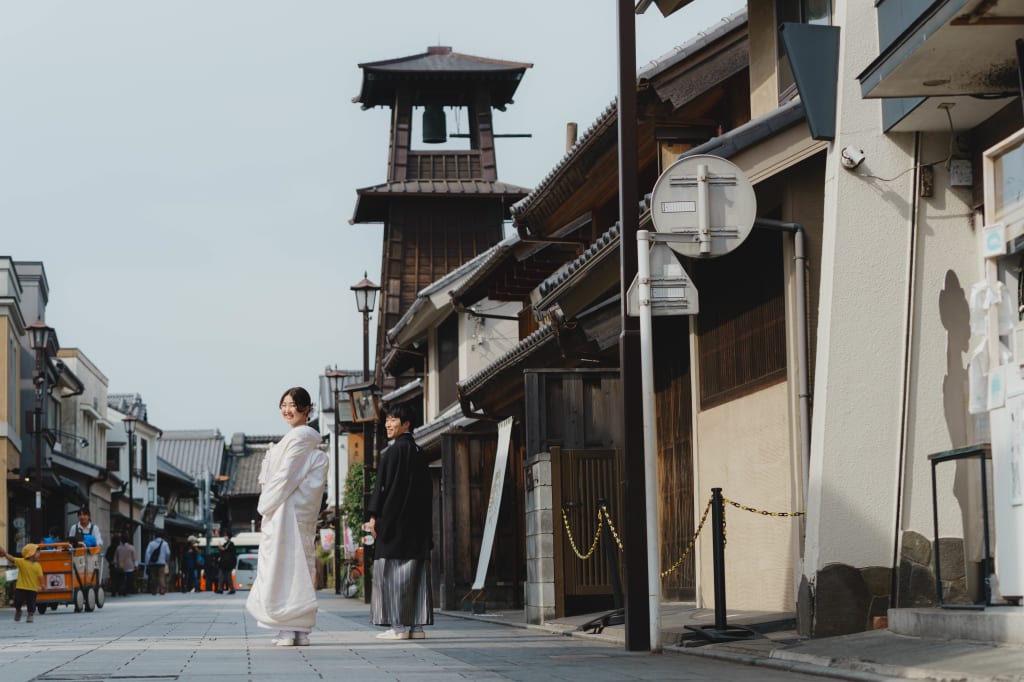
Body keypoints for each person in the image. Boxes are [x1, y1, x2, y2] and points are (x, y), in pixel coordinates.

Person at [246, 387, 328, 647]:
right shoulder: (303, 441)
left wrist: (265, 505)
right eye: (283, 405)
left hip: (285, 512)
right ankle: (299, 629)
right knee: (299, 567)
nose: (287, 410)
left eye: (293, 405)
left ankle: (288, 627)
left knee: (283, 568)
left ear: (306, 409)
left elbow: (284, 478)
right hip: (295, 512)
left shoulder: (299, 439)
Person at [367, 403, 433, 640]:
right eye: (387, 420)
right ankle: (416, 626)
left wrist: (376, 517)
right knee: (416, 577)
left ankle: (398, 627)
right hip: (417, 527)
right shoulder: (418, 452)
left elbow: (386, 489)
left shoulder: (393, 452)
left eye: (393, 420)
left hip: (396, 525)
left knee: (392, 575)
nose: (387, 424)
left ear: (406, 424)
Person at [0, 543, 44, 622]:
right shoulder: (22, 562)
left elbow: (40, 576)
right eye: (37, 552)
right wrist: (5, 554)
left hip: (32, 588)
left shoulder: (38, 565)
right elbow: (13, 559)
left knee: (31, 603)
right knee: (18, 601)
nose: (39, 554)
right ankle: (18, 610)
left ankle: (30, 615)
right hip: (21, 587)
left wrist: (43, 584)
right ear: (31, 553)